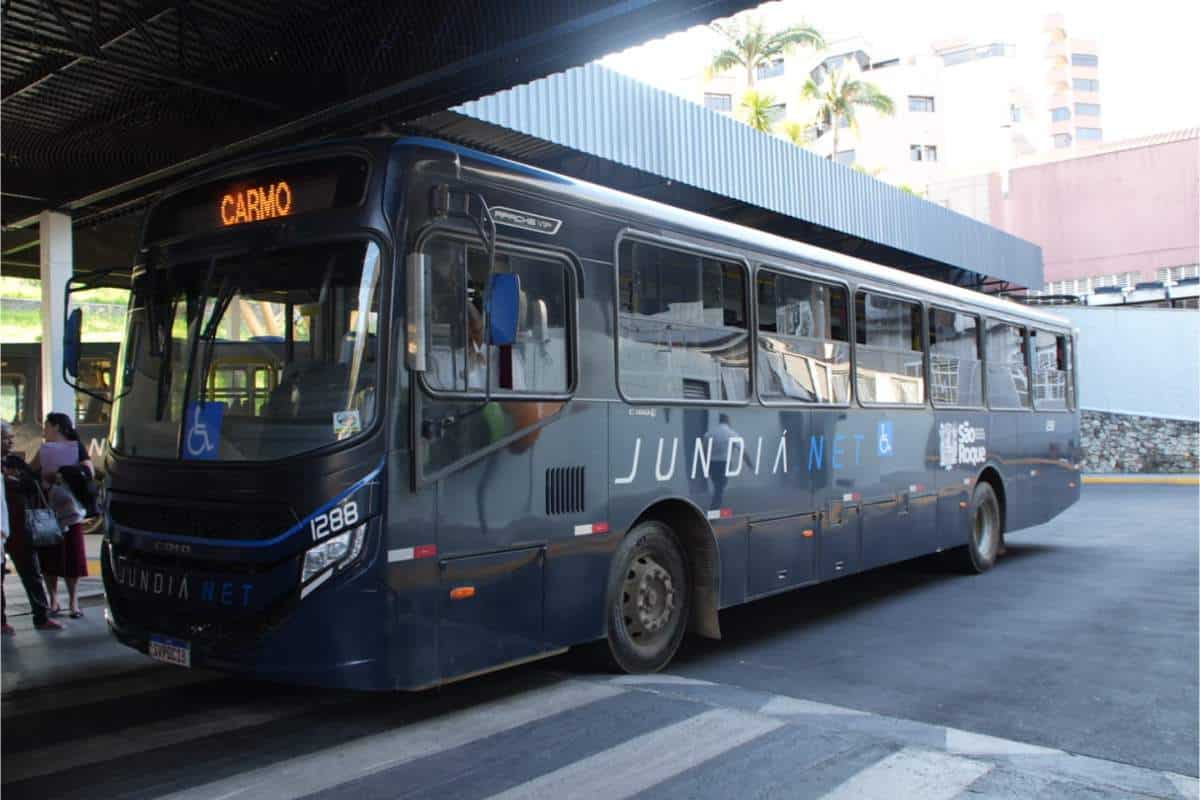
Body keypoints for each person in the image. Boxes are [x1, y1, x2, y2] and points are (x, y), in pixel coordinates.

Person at [1, 420, 62, 633]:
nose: (10, 442)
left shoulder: (15, 462)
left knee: (31, 572)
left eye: (10, 438)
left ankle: (41, 616)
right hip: (3, 529)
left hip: (20, 528)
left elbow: (33, 484)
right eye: (6, 438)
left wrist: (16, 478)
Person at [30, 413, 92, 619]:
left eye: (47, 426)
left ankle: (74, 602)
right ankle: (53, 600)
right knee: (49, 556)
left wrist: (62, 474)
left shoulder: (77, 447)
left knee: (72, 556)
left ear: (57, 427)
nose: (44, 430)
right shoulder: (44, 449)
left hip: (72, 511)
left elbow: (89, 472)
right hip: (49, 511)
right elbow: (31, 472)